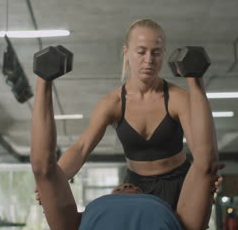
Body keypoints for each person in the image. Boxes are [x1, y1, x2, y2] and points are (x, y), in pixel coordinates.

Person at [36, 19, 219, 209]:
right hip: (135, 186)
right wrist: (54, 181)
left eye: (156, 53)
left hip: (180, 183)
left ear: (163, 54)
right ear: (126, 53)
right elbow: (81, 148)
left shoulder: (178, 99)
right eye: (141, 52)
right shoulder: (112, 103)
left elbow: (200, 151)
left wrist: (206, 177)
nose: (148, 60)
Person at [31, 75, 223, 230]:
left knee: (45, 173)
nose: (124, 187)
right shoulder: (171, 216)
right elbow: (79, 149)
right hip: (157, 193)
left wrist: (50, 185)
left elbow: (44, 170)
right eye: (141, 51)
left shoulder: (89, 216)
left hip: (178, 177)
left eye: (119, 188)